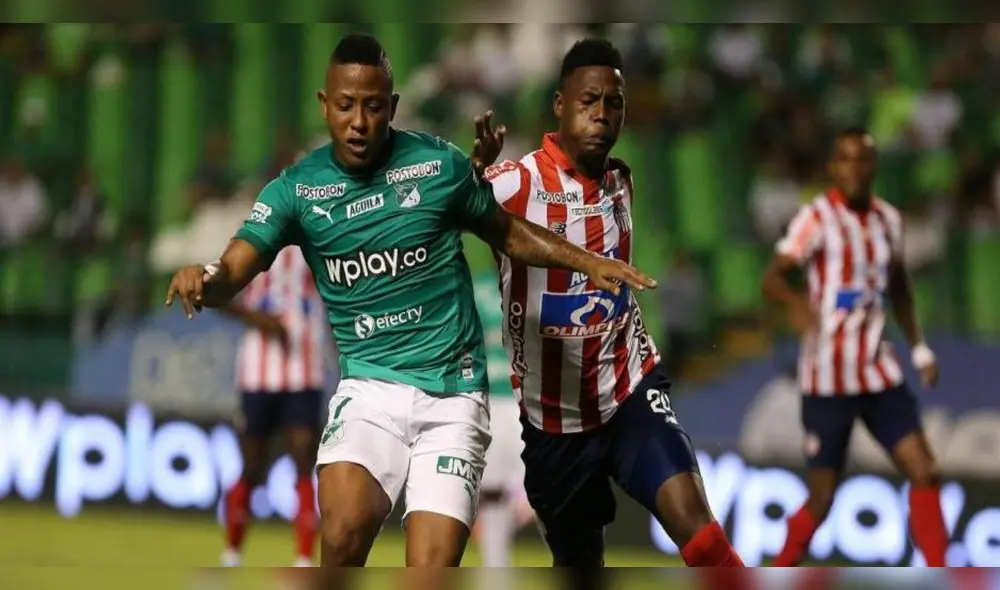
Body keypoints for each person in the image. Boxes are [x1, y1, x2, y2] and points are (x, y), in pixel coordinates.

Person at [164, 32, 654, 570]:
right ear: (325, 106)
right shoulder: (296, 190)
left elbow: (508, 232)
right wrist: (205, 279)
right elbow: (236, 266)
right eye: (346, 106)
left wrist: (588, 261)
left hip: (453, 399)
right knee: (344, 535)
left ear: (392, 107)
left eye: (373, 106)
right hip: (370, 388)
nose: (358, 121)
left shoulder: (436, 166)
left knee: (430, 570)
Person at [472, 38, 744, 568]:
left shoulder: (621, 179)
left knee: (702, 534)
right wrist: (471, 175)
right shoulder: (514, 183)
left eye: (613, 103)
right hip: (554, 424)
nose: (602, 115)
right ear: (559, 105)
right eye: (588, 101)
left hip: (628, 394)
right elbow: (461, 209)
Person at [762, 127, 948, 567]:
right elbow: (773, 277)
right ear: (832, 167)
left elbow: (899, 286)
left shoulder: (889, 220)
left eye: (863, 159)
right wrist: (795, 305)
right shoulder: (817, 217)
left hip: (877, 371)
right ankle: (775, 571)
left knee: (926, 472)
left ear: (874, 165)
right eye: (845, 159)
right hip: (827, 379)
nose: (855, 168)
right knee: (823, 499)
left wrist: (919, 348)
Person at [219, 245, 329, 567]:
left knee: (303, 459)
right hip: (257, 375)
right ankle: (232, 550)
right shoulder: (251, 241)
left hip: (305, 372)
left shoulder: (319, 235)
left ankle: (305, 559)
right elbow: (215, 295)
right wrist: (257, 318)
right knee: (253, 466)